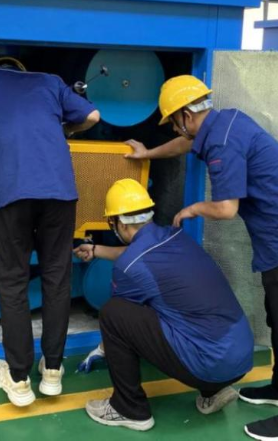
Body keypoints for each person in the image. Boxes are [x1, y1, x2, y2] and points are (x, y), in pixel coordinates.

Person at [124, 75, 278, 441]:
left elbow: (225, 208)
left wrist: (191, 209)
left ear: (187, 115)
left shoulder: (222, 142)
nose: (175, 128)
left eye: (173, 120)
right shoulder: (226, 120)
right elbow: (184, 143)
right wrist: (147, 154)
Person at [0, 62, 100, 407]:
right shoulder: (51, 80)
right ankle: (52, 372)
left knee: (12, 282)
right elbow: (93, 116)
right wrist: (66, 130)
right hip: (59, 193)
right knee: (57, 279)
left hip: (11, 192)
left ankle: (19, 379)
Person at [73, 179, 253, 432]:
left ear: (120, 223)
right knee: (183, 311)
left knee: (114, 313)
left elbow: (125, 317)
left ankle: (128, 409)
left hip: (206, 363)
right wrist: (96, 250)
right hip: (241, 357)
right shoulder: (176, 236)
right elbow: (139, 253)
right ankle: (214, 392)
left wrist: (103, 348)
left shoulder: (129, 267)